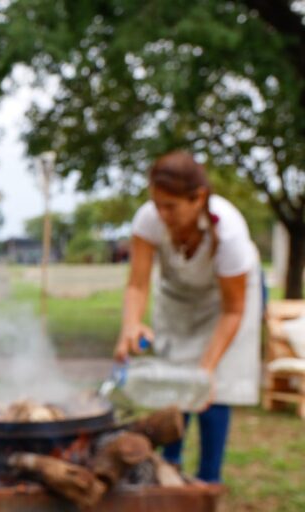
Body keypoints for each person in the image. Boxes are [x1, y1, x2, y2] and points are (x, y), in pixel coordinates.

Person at [114, 150, 261, 483]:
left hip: (226, 305)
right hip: (177, 299)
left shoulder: (230, 234)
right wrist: (130, 325)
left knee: (213, 386)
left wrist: (205, 370)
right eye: (157, 204)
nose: (161, 214)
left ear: (198, 198)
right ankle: (170, 468)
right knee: (173, 378)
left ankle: (209, 479)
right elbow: (137, 284)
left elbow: (233, 309)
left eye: (171, 206)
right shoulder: (149, 219)